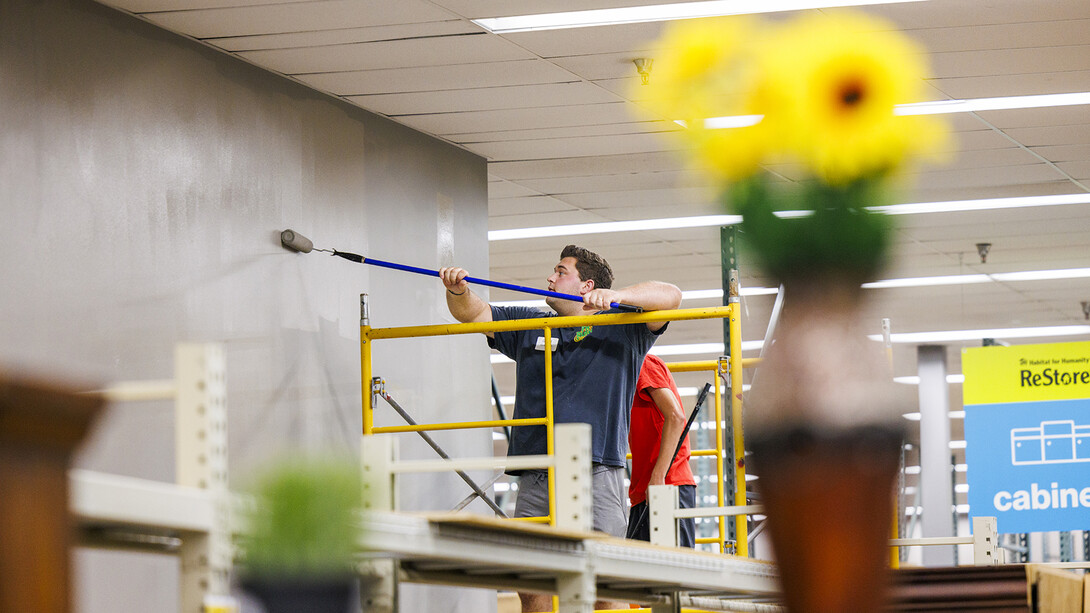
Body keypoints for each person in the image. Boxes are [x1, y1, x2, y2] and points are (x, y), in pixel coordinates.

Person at [439, 245, 681, 613]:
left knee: (604, 583)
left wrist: (618, 297)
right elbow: (472, 313)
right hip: (537, 473)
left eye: (560, 271)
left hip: (597, 473)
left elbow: (672, 295)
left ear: (586, 285)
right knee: (533, 584)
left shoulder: (624, 327)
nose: (549, 278)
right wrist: (458, 290)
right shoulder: (529, 324)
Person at [626, 353, 697, 548]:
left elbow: (675, 417)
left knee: (675, 572)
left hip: (665, 485)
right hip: (645, 490)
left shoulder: (642, 363)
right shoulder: (623, 376)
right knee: (641, 574)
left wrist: (658, 476)